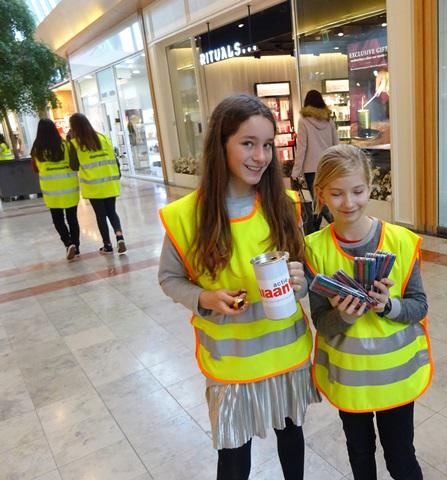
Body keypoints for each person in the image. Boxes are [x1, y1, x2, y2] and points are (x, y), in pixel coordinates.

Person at [158, 94, 319, 480]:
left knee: (291, 437)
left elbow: (304, 273)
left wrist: (300, 283)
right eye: (248, 143)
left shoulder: (285, 204)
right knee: (233, 455)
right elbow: (169, 278)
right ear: (221, 145)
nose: (261, 156)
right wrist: (203, 297)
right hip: (230, 362)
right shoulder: (187, 216)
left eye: (267, 145)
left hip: (285, 354)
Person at [305, 144, 432, 480]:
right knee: (360, 456)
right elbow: (321, 321)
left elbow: (419, 305)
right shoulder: (313, 250)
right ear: (321, 194)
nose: (349, 202)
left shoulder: (401, 241)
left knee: (401, 457)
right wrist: (344, 316)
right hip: (350, 379)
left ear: (371, 187)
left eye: (358, 191)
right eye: (337, 193)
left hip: (396, 379)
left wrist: (388, 306)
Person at [68, 113, 127, 255]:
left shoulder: (75, 143)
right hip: (110, 182)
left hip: (94, 185)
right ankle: (120, 237)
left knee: (101, 215)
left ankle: (107, 245)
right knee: (112, 212)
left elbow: (74, 166)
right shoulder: (103, 137)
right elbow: (114, 158)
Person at [31, 119, 80, 260]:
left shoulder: (36, 150)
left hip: (51, 191)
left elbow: (35, 169)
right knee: (72, 219)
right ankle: (76, 247)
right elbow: (74, 164)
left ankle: (68, 243)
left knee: (58, 219)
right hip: (69, 188)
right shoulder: (66, 145)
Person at [291, 89, 339, 231]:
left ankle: (335, 224)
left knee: (319, 200)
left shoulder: (304, 121)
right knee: (324, 198)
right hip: (328, 166)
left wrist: (295, 172)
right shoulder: (329, 120)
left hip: (311, 169)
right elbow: (336, 144)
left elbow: (302, 148)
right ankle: (314, 229)